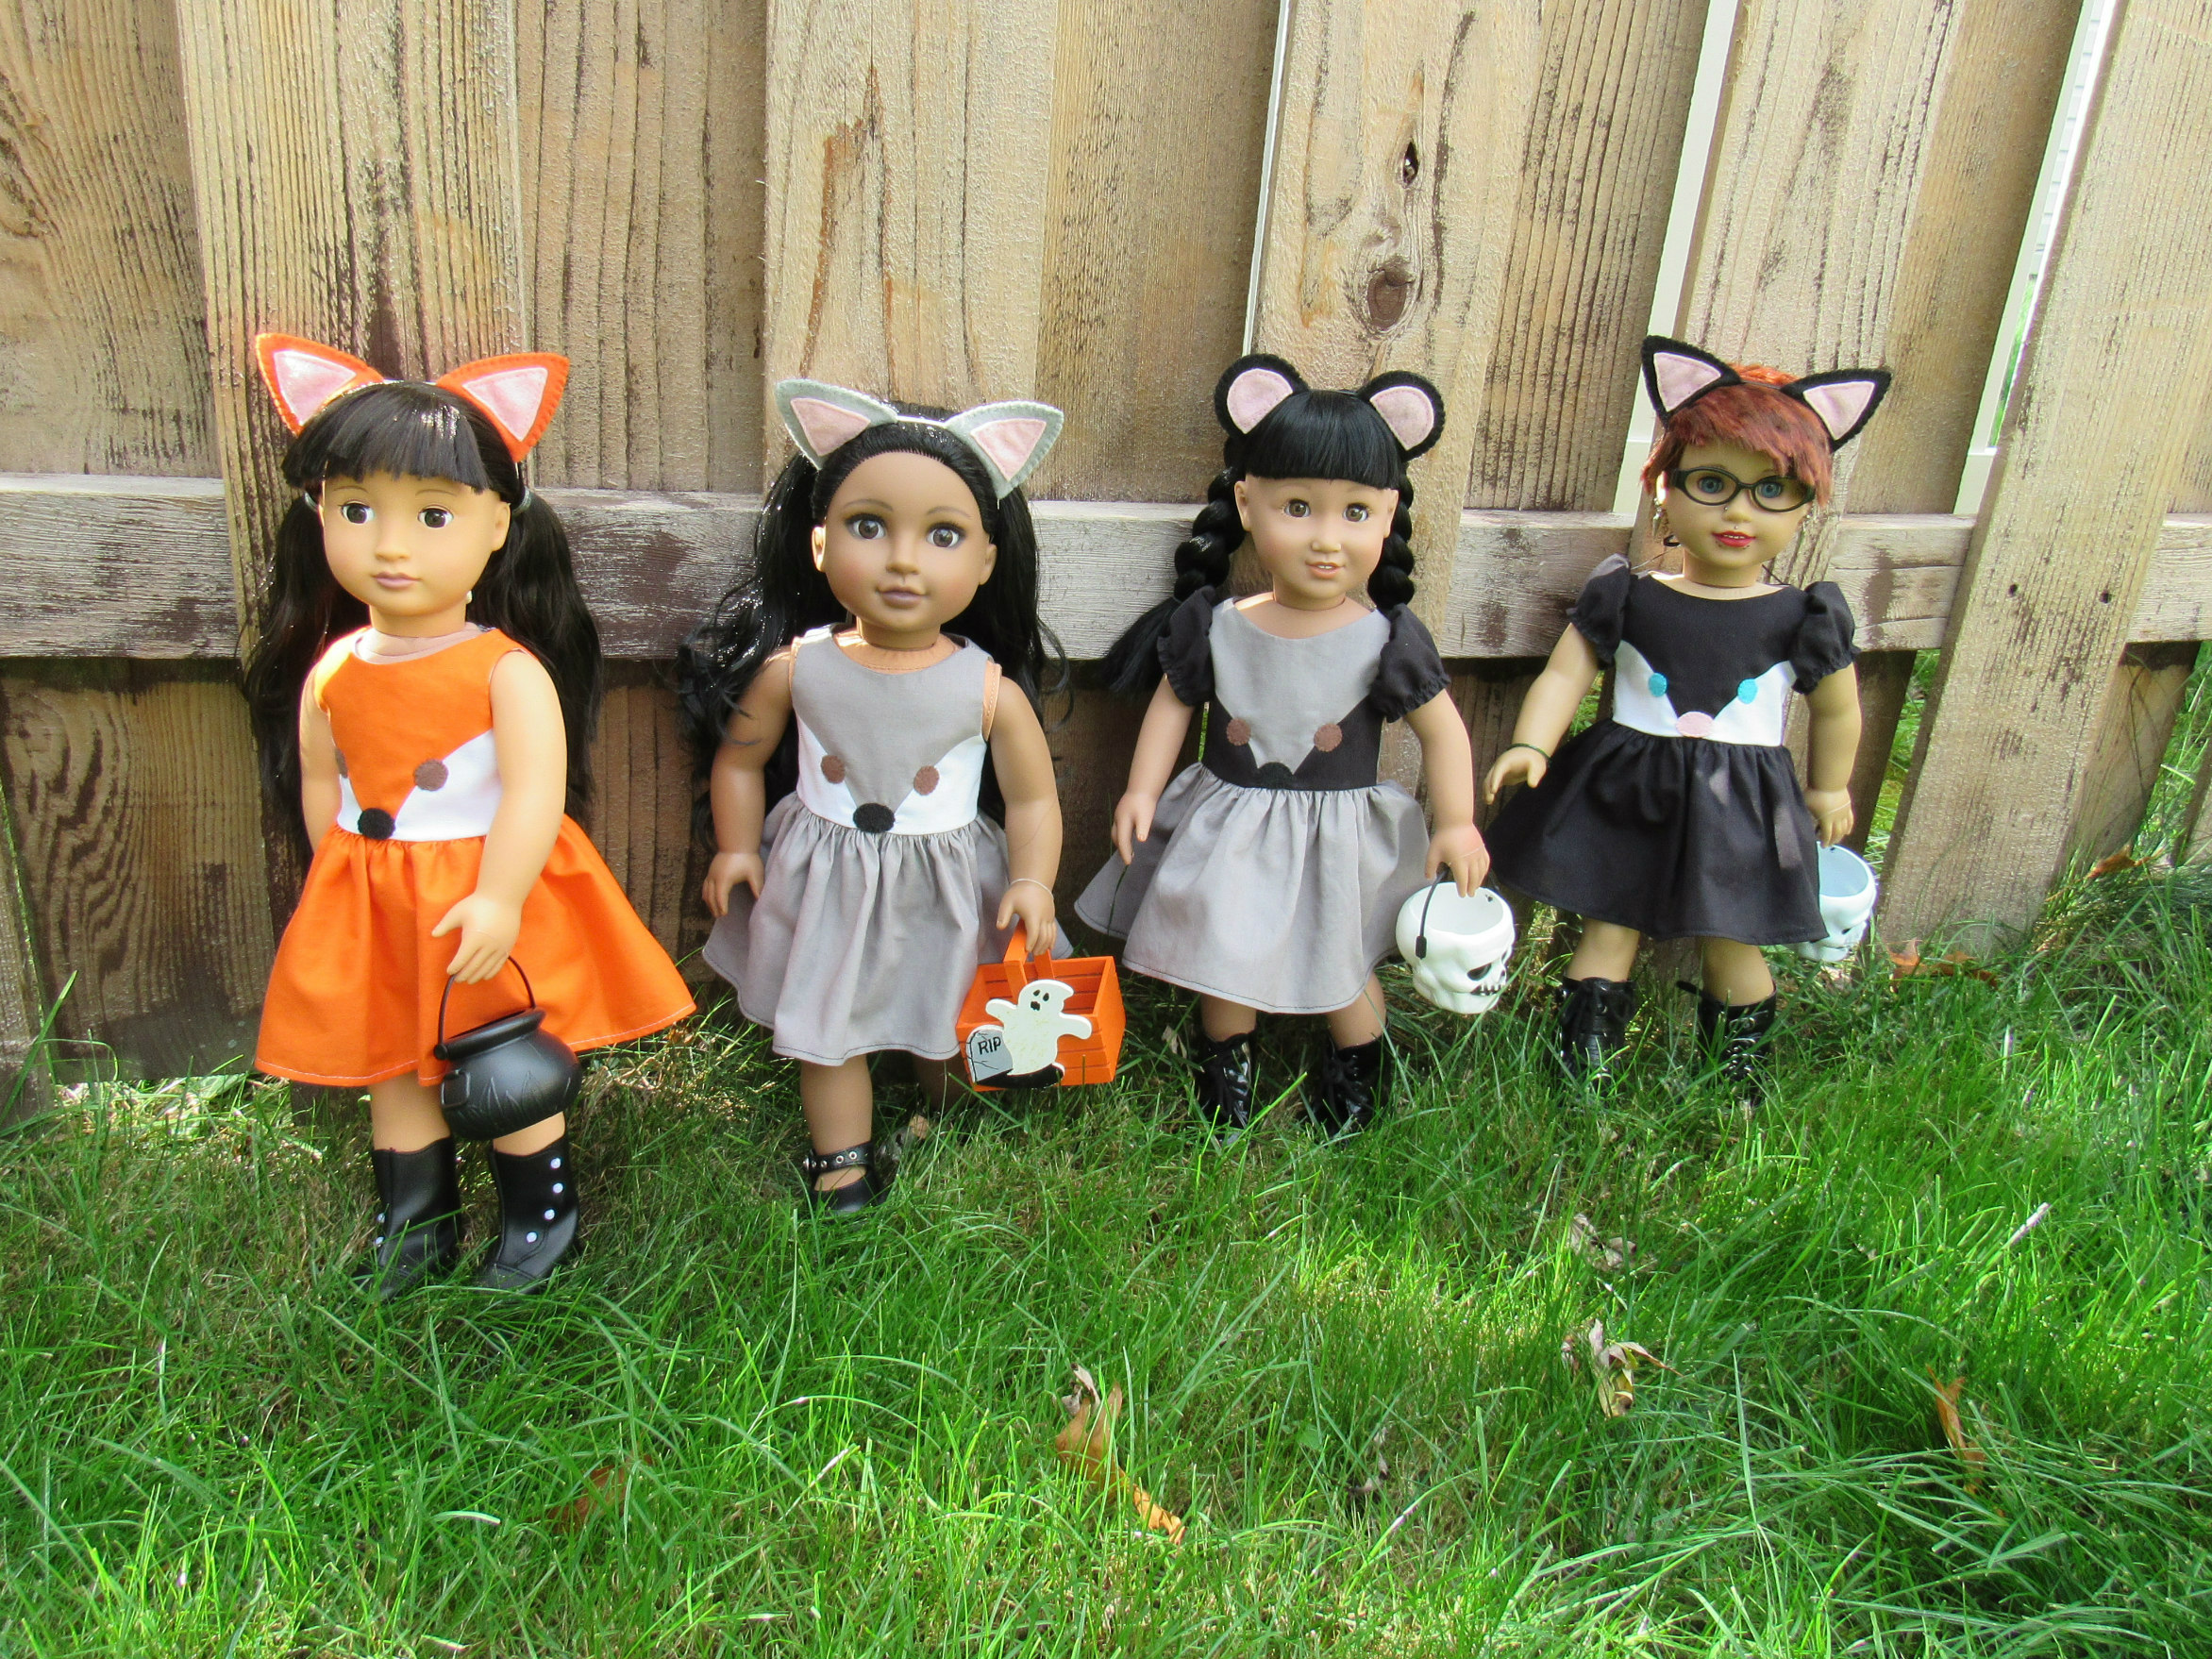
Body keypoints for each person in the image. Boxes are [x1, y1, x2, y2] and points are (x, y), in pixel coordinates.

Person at [244, 335, 694, 1296]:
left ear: (496, 525)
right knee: (393, 1067)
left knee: (501, 1058)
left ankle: (541, 1218)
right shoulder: (334, 668)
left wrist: (497, 899)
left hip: (481, 893)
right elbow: (324, 780)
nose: (390, 544)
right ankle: (415, 1226)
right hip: (378, 899)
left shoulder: (504, 670)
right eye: (356, 510)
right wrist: (336, 875)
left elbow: (534, 792)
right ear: (319, 513)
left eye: (432, 514)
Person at [679, 380, 1067, 1213]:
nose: (903, 559)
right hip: (827, 879)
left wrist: (1033, 879)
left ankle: (945, 1116)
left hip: (947, 884)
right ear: (819, 544)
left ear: (986, 561)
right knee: (829, 1030)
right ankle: (840, 1163)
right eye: (869, 526)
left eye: (943, 535)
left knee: (951, 1014)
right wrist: (738, 846)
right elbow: (741, 760)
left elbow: (1033, 800)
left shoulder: (988, 689)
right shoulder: (798, 668)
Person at [1076, 354, 1486, 1138]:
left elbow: (1444, 731)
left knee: (1344, 965)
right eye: (1298, 508)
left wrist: (1458, 822)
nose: (1326, 539)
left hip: (1338, 837)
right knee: (1223, 959)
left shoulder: (1386, 639)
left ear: (1389, 514)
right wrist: (1141, 790)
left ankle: (1357, 1075)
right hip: (1230, 832)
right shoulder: (1218, 625)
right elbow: (1173, 706)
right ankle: (1225, 1077)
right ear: (1246, 502)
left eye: (1355, 513)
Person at [1483, 335, 1891, 1099]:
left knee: (1734, 940)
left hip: (1742, 805)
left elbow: (1840, 708)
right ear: (1664, 488)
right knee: (1610, 924)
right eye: (1710, 483)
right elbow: (1567, 672)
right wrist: (1533, 743)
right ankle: (1582, 1069)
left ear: (1806, 505)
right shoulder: (1629, 594)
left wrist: (1830, 787)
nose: (1738, 511)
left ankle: (1737, 1075)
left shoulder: (1803, 615)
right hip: (1626, 792)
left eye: (1771, 491)